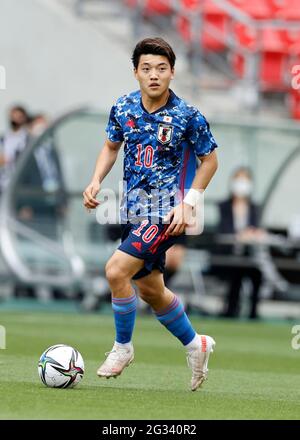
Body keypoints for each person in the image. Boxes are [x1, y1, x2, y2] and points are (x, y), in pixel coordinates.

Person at [83, 37, 219, 391]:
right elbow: (111, 145)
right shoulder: (124, 106)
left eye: (161, 68)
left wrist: (189, 202)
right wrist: (96, 180)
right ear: (136, 72)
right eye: (146, 69)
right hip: (135, 211)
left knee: (115, 270)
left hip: (166, 213)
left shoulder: (187, 116)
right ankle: (196, 345)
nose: (154, 75)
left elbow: (210, 160)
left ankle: (122, 347)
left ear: (172, 72)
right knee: (151, 290)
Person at [217, 167, 263, 319]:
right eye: (239, 179)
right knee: (236, 272)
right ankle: (231, 309)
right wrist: (239, 236)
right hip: (228, 254)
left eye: (245, 180)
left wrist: (253, 233)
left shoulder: (254, 207)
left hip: (248, 255)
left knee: (257, 273)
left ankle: (253, 312)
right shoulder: (224, 206)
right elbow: (224, 230)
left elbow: (255, 228)